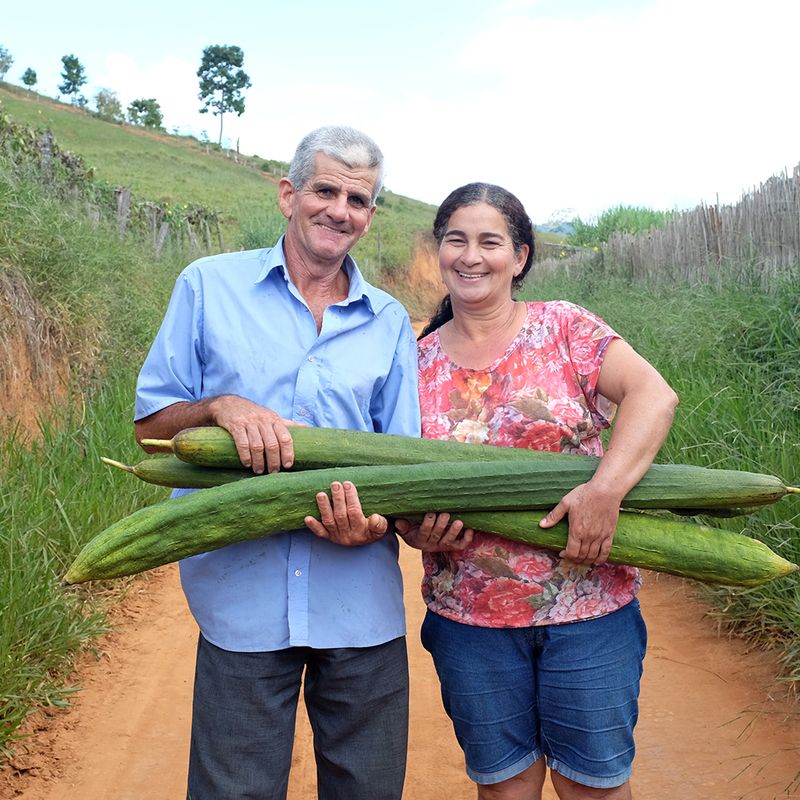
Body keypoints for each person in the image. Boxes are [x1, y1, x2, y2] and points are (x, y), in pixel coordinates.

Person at [310, 182, 678, 800]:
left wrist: (604, 490)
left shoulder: (565, 328)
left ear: (521, 256)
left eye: (491, 241)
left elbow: (653, 396)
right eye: (456, 240)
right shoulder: (413, 360)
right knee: (504, 789)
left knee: (594, 787)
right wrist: (412, 529)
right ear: (439, 251)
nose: (471, 256)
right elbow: (394, 475)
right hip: (468, 617)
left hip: (588, 607)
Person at [133, 125, 420, 800]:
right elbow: (149, 430)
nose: (339, 211)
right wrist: (217, 407)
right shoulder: (207, 286)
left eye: (359, 199)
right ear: (289, 194)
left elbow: (403, 470)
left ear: (371, 216)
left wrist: (376, 524)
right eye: (325, 190)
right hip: (240, 602)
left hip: (361, 610)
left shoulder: (389, 322)